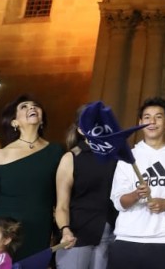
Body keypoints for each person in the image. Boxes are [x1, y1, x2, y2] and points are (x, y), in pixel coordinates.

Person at [0, 94, 67, 267]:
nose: (32, 108)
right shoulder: (1, 155)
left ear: (42, 119)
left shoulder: (57, 151)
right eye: (24, 107)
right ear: (14, 122)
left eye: (36, 105)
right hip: (1, 235)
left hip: (38, 230)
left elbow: (62, 198)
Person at [108, 96, 165, 269]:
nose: (152, 122)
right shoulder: (128, 157)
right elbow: (118, 201)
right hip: (126, 239)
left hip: (163, 242)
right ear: (140, 122)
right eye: (147, 117)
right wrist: (135, 195)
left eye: (158, 116)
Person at [54, 104, 119, 269]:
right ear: (81, 130)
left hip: (111, 236)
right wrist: (65, 229)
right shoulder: (71, 158)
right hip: (77, 235)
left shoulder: (119, 157)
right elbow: (61, 205)